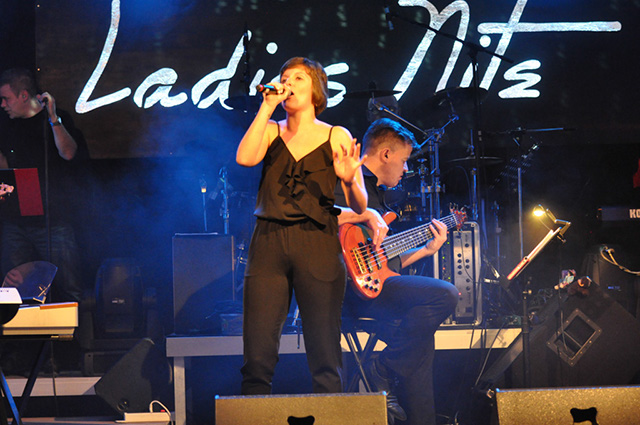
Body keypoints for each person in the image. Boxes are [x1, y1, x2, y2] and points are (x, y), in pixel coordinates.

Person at [236, 57, 368, 395]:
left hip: (316, 241)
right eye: (285, 77)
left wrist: (349, 181)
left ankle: (330, 415)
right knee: (257, 353)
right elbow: (245, 158)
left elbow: (360, 205)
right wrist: (267, 106)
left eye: (298, 78)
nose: (288, 83)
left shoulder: (336, 135)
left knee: (324, 351)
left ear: (315, 90)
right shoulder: (271, 129)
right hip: (268, 241)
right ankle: (255, 414)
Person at [334, 118, 459, 425]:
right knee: (445, 294)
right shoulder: (347, 183)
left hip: (374, 287)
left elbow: (381, 262)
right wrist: (364, 214)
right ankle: (383, 368)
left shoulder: (380, 196)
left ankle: (411, 407)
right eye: (404, 161)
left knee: (420, 337)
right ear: (386, 154)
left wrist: (427, 249)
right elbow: (325, 220)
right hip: (345, 292)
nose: (406, 169)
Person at [0, 68, 87, 303]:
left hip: (54, 219)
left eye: (6, 98)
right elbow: (6, 167)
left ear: (23, 95)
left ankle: (72, 327)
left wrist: (53, 118)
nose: (3, 104)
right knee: (13, 287)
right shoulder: (8, 126)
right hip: (17, 219)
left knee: (68, 286)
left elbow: (68, 153)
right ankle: (20, 327)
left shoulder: (56, 119)